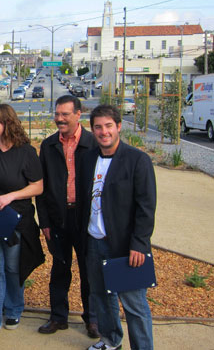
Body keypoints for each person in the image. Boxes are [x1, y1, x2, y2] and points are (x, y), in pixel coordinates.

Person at [81, 105, 156, 350]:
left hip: (124, 246)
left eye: (108, 126)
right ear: (92, 130)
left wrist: (139, 244)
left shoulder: (137, 160)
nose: (104, 132)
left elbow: (146, 207)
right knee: (101, 296)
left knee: (134, 304)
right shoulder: (89, 158)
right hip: (94, 241)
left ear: (119, 126)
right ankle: (111, 340)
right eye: (98, 127)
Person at [0, 104, 44, 338]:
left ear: (7, 123)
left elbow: (38, 185)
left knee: (12, 268)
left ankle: (14, 308)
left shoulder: (26, 152)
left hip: (16, 220)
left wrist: (11, 196)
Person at [36, 95, 99, 338]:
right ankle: (58, 317)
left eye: (65, 114)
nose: (59, 119)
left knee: (89, 271)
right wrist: (45, 222)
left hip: (86, 220)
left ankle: (91, 319)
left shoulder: (93, 144)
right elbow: (41, 188)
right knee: (60, 269)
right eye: (57, 114)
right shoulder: (49, 145)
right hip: (58, 219)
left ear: (78, 114)